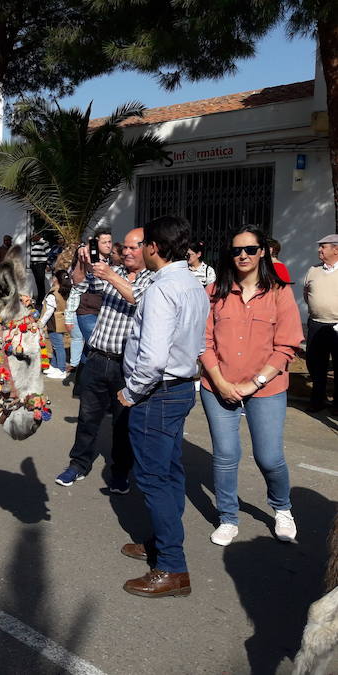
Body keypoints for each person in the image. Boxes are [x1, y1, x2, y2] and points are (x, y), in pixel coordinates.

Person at [116, 215, 208, 598]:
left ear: (153, 247)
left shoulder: (162, 289)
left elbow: (152, 358)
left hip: (158, 392)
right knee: (169, 472)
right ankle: (161, 542)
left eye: (143, 245)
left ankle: (171, 566)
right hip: (181, 387)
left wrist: (133, 391)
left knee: (154, 478)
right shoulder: (192, 284)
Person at [199, 226, 303, 547]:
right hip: (218, 386)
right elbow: (202, 341)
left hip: (266, 388)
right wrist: (220, 382)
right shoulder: (214, 292)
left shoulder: (279, 292)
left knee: (269, 457)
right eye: (235, 250)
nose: (242, 255)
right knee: (226, 455)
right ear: (228, 255)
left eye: (250, 249)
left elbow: (287, 345)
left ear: (262, 253)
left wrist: (252, 383)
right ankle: (228, 517)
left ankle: (282, 508)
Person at [54, 228, 153, 492]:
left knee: (123, 423)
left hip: (126, 365)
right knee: (87, 417)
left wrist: (109, 274)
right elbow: (80, 283)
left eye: (134, 248)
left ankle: (121, 472)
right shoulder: (116, 272)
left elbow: (137, 299)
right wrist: (82, 263)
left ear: (148, 249)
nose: (127, 252)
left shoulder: (153, 279)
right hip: (97, 357)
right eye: (126, 248)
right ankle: (78, 464)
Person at [303, 234, 338, 415]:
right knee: (316, 365)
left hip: (337, 326)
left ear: (336, 249)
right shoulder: (313, 270)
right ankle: (318, 401)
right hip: (316, 324)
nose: (319, 250)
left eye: (323, 247)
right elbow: (306, 293)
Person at [38, 269, 71, 379]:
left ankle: (61, 369)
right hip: (62, 321)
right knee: (56, 346)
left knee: (58, 347)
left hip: (54, 323)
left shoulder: (53, 293)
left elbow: (48, 311)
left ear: (56, 279)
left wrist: (41, 323)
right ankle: (54, 366)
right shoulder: (65, 290)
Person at [29, 231, 50, 298]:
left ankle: (42, 298)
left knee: (41, 282)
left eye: (33, 235)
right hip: (34, 265)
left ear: (38, 235)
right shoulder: (34, 244)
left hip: (40, 265)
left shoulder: (44, 243)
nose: (32, 236)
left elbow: (49, 255)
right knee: (38, 282)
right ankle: (40, 297)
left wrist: (48, 265)